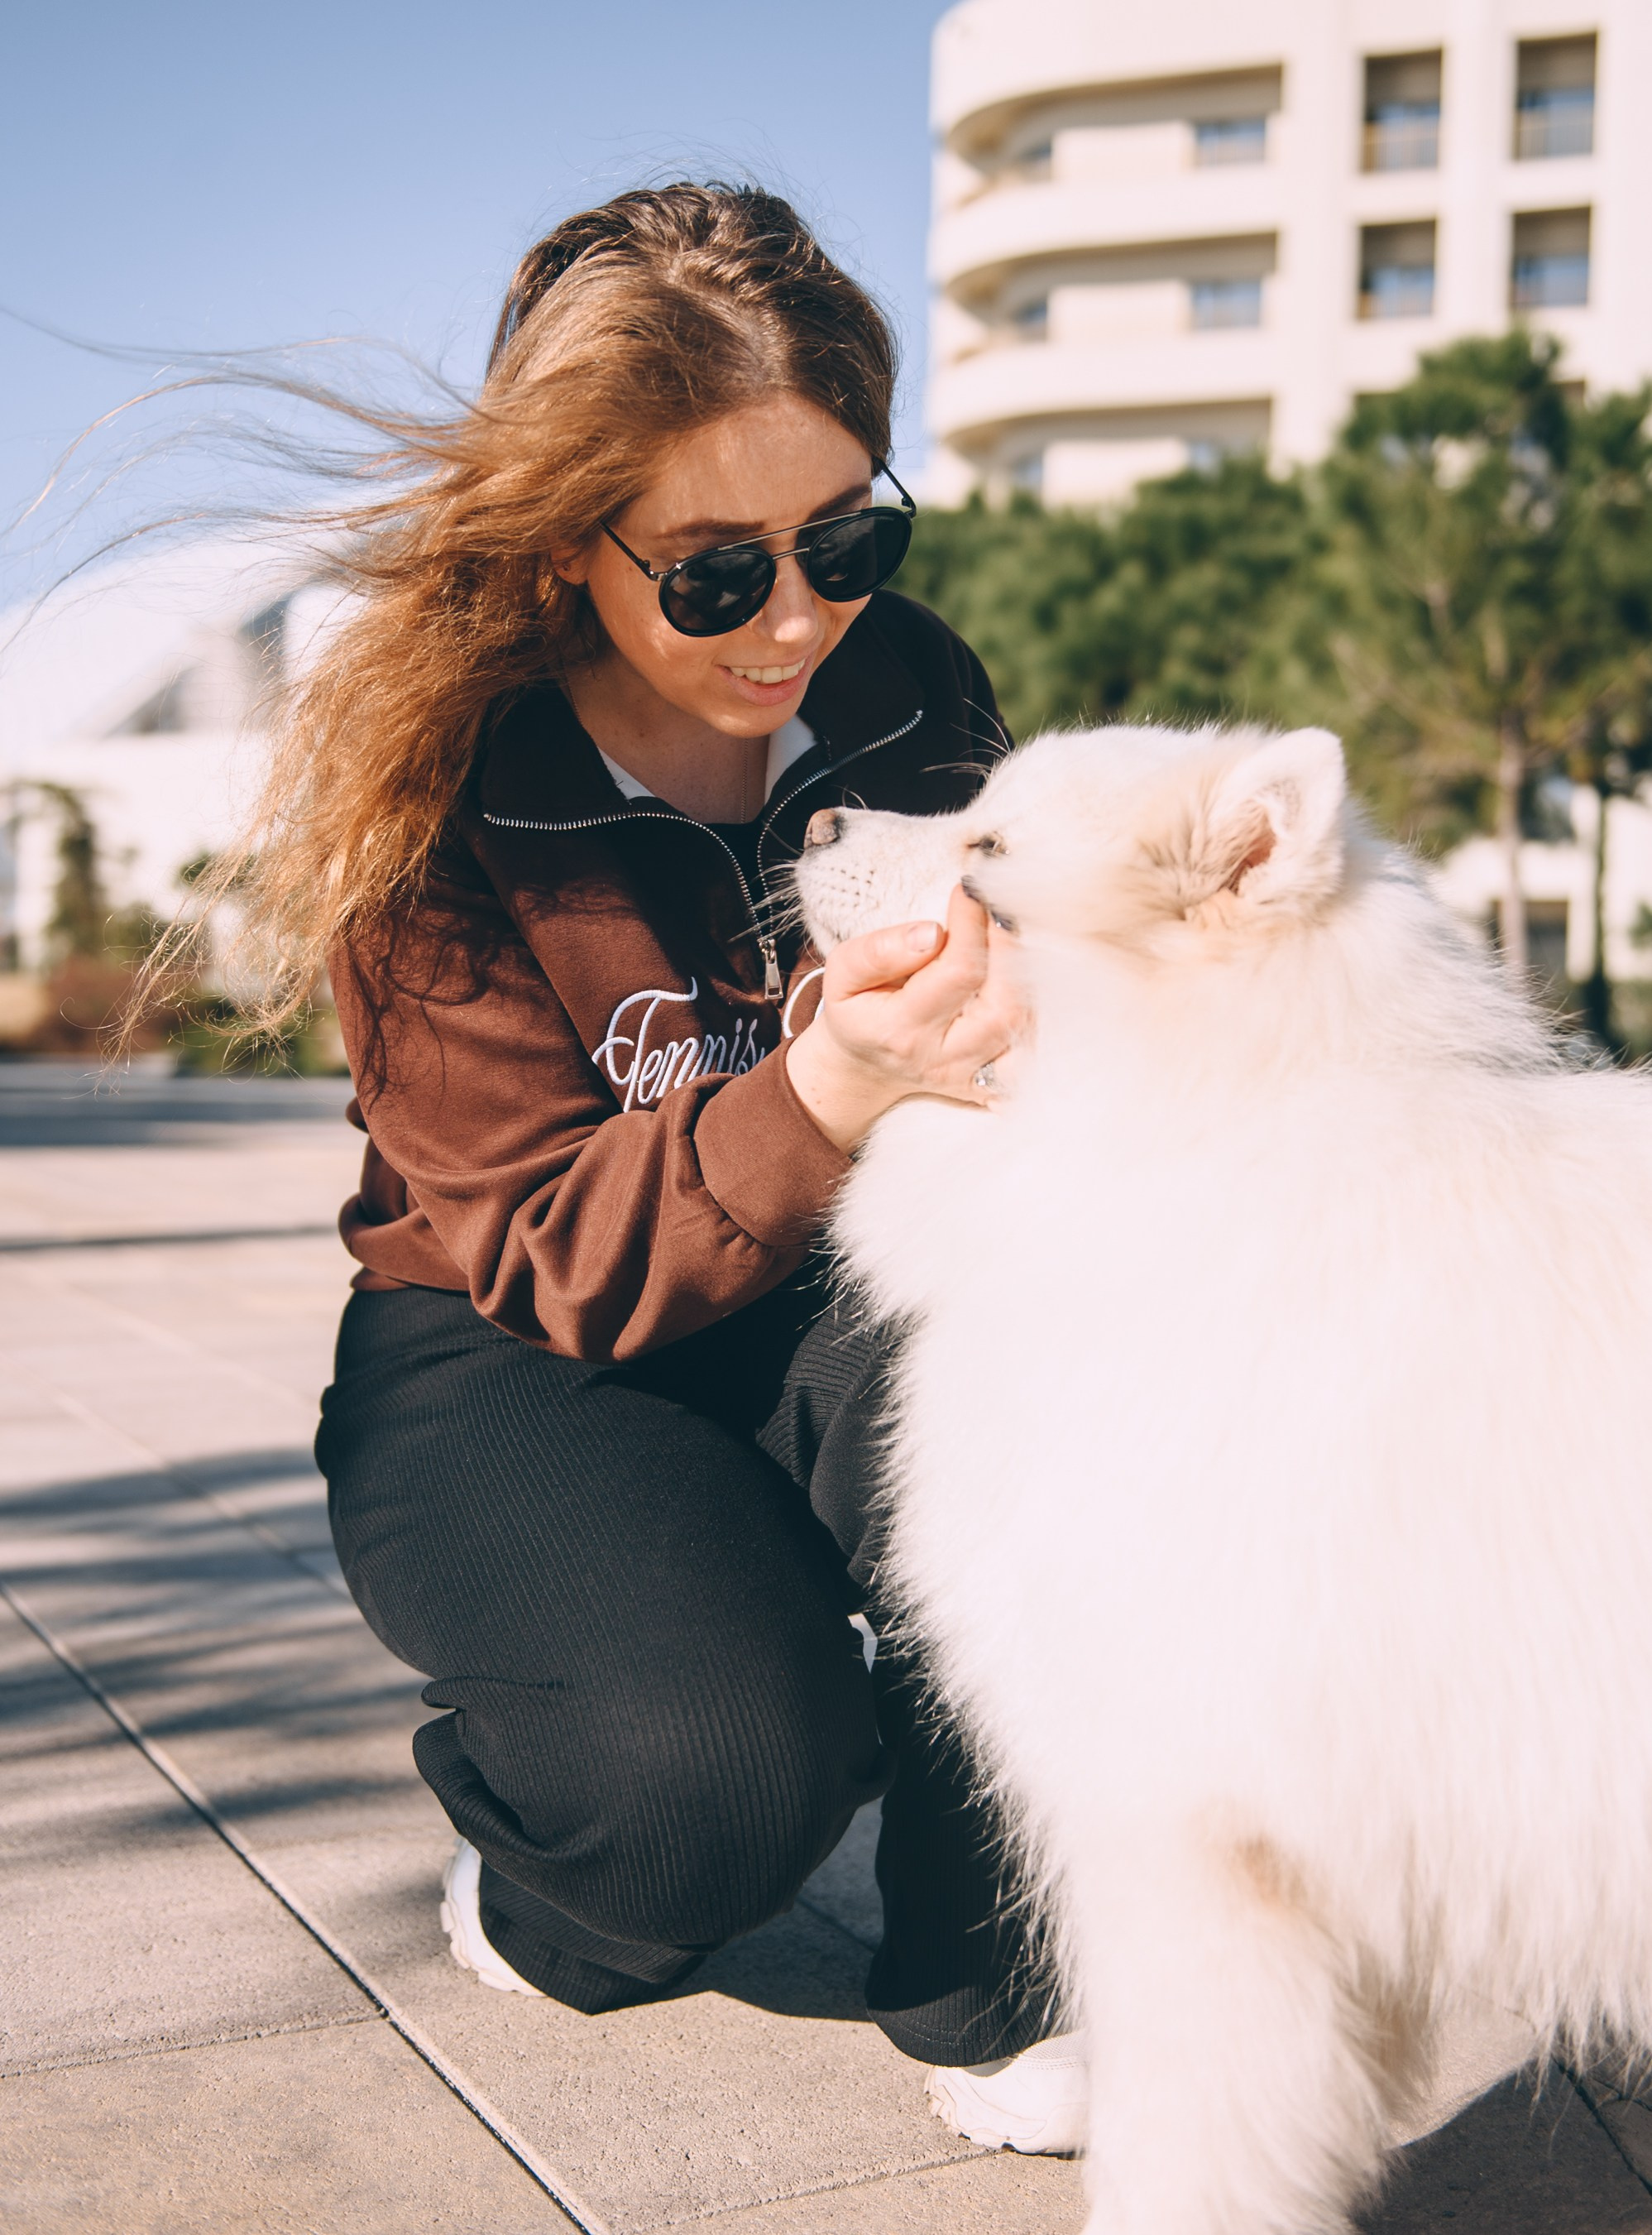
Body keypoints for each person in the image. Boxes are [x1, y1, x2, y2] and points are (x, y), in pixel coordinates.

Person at [283, 183, 1083, 2153]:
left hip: (848, 1269)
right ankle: (546, 1875)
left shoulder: (909, 687)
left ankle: (998, 1976)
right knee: (716, 1782)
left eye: (849, 537)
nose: (801, 619)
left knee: (1084, 1431)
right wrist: (827, 1076)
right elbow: (550, 1249)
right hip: (511, 1335)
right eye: (719, 574)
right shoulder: (436, 784)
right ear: (572, 540)